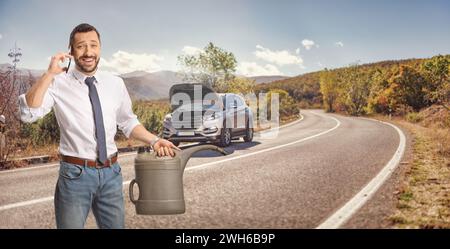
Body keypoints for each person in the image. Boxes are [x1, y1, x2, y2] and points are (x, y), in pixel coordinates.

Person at [18, 23, 179, 229]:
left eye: (93, 45)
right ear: (71, 51)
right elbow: (28, 113)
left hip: (112, 174)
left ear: (100, 49)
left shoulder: (115, 83)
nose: (88, 52)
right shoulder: (58, 83)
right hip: (75, 175)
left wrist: (154, 140)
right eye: (81, 46)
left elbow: (128, 121)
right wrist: (49, 75)